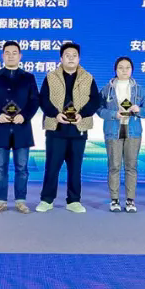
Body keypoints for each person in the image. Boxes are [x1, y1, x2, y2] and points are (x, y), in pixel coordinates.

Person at [36, 42, 102, 213]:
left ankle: (73, 201)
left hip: (78, 129)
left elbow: (95, 100)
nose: (71, 58)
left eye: (74, 56)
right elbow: (43, 99)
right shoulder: (51, 77)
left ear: (79, 58)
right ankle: (47, 200)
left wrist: (83, 114)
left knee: (75, 168)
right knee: (52, 167)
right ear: (61, 58)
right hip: (56, 129)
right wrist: (55, 114)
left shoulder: (88, 78)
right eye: (67, 55)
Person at [0, 41, 40, 214]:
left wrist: (25, 115)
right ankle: (1, 201)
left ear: (20, 56)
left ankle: (21, 201)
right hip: (1, 128)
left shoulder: (28, 78)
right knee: (0, 168)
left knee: (22, 168)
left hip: (22, 129)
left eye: (15, 53)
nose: (11, 56)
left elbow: (34, 101)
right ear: (2, 55)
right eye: (7, 53)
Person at [98, 56, 145, 213]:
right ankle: (114, 200)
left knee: (131, 166)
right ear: (115, 70)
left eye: (127, 67)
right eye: (120, 67)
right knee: (114, 166)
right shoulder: (106, 89)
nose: (124, 70)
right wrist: (114, 114)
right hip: (113, 130)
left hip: (133, 130)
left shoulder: (140, 90)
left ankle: (130, 200)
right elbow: (99, 109)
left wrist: (138, 110)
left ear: (132, 70)